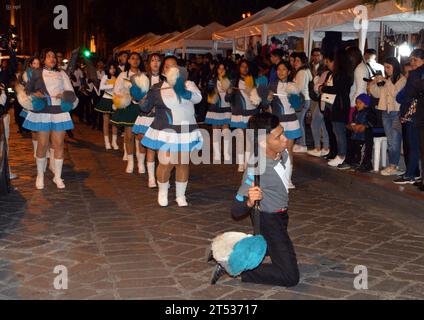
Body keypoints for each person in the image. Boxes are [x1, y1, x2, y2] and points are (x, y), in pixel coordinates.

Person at [229, 112, 299, 287]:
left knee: (267, 248)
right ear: (262, 141)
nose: (285, 139)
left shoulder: (281, 153)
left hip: (282, 216)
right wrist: (249, 202)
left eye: (282, 132)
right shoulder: (256, 168)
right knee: (290, 277)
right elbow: (236, 211)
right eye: (278, 137)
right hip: (270, 221)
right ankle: (234, 267)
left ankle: (242, 253)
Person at [139, 55, 203, 207]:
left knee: (182, 163)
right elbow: (146, 108)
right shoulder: (156, 88)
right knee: (166, 163)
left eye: (174, 65)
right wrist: (140, 98)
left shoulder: (188, 83)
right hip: (166, 131)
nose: (171, 68)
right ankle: (162, 192)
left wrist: (183, 91)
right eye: (167, 66)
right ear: (163, 71)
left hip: (186, 131)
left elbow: (198, 98)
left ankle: (181, 196)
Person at [22, 49, 78, 190]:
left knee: (59, 144)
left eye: (54, 56)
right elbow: (27, 90)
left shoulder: (62, 73)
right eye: (48, 56)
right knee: (42, 144)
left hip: (59, 112)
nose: (52, 58)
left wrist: (64, 94)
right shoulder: (36, 72)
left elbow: (71, 93)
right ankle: (40, 175)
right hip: (43, 112)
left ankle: (57, 176)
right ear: (43, 59)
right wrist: (36, 94)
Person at [263, 60, 302, 189]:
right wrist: (267, 99)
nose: (281, 72)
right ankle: (276, 177)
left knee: (288, 149)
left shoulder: (294, 85)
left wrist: (293, 97)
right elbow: (265, 106)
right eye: (278, 70)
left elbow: (298, 107)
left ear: (289, 71)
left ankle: (288, 179)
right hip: (277, 123)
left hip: (291, 122)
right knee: (276, 150)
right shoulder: (272, 85)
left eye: (284, 69)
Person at [368, 57, 406, 176]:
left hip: (396, 112)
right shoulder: (386, 80)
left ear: (395, 67)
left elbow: (395, 93)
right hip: (385, 112)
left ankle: (393, 166)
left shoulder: (402, 79)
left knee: (395, 141)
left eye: (388, 67)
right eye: (385, 67)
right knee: (390, 141)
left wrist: (386, 81)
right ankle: (393, 165)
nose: (386, 69)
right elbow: (376, 93)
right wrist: (374, 82)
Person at [111, 52, 145, 174]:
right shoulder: (123, 75)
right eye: (132, 58)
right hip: (128, 107)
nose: (135, 60)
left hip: (141, 108)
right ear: (129, 61)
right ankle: (130, 162)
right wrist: (125, 96)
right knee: (129, 136)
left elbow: (147, 92)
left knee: (140, 137)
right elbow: (116, 91)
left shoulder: (144, 75)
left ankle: (141, 163)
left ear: (140, 61)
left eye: (137, 58)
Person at [394, 48, 424, 185]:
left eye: (415, 60)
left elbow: (404, 96)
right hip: (415, 114)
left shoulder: (415, 75)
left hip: (413, 114)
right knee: (415, 146)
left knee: (413, 145)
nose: (412, 62)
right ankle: (414, 173)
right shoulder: (417, 74)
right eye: (411, 59)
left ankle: (410, 174)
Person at [132, 53, 162, 187]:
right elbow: (135, 96)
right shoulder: (143, 78)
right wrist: (140, 99)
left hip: (161, 117)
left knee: (160, 148)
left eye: (158, 60)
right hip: (146, 115)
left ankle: (161, 176)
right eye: (153, 60)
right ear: (149, 63)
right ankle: (150, 177)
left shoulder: (166, 79)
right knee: (146, 144)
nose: (155, 63)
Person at [320, 50, 353, 167]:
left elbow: (336, 89)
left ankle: (341, 155)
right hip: (336, 105)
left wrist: (323, 89)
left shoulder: (342, 74)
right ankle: (340, 154)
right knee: (336, 131)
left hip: (340, 105)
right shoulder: (339, 73)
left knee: (339, 132)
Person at [226, 60, 261, 172]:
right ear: (239, 68)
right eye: (242, 66)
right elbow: (227, 99)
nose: (244, 69)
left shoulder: (255, 81)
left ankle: (248, 161)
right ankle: (241, 163)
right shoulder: (233, 81)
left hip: (252, 112)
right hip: (239, 113)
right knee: (240, 137)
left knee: (250, 139)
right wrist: (229, 92)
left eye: (247, 67)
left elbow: (259, 99)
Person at [339, 94, 377, 172]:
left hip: (364, 137)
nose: (357, 105)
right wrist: (351, 126)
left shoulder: (369, 112)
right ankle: (351, 161)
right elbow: (352, 122)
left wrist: (364, 126)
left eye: (360, 103)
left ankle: (366, 164)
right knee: (351, 146)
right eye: (356, 103)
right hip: (355, 135)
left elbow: (372, 122)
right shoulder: (355, 112)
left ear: (366, 104)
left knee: (363, 151)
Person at [205, 62, 232, 162]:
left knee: (226, 129)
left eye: (223, 69)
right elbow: (210, 95)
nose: (221, 70)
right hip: (214, 108)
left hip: (226, 107)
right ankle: (217, 153)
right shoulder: (212, 80)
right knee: (215, 130)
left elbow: (230, 97)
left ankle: (226, 153)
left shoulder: (228, 80)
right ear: (216, 70)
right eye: (219, 68)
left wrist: (228, 92)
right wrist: (214, 91)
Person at [95, 62, 120, 151]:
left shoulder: (118, 77)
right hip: (106, 99)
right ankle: (107, 142)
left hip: (115, 100)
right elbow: (101, 87)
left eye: (113, 68)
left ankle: (114, 141)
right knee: (106, 122)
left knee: (115, 122)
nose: (112, 70)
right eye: (110, 68)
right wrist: (112, 85)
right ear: (108, 69)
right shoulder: (105, 77)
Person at [292, 52, 313, 154]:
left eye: (297, 61)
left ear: (303, 62)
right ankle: (300, 143)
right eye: (294, 60)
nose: (295, 63)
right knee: (300, 122)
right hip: (305, 99)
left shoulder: (301, 72)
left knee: (299, 123)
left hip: (301, 99)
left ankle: (303, 144)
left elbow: (298, 88)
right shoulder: (305, 71)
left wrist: (289, 88)